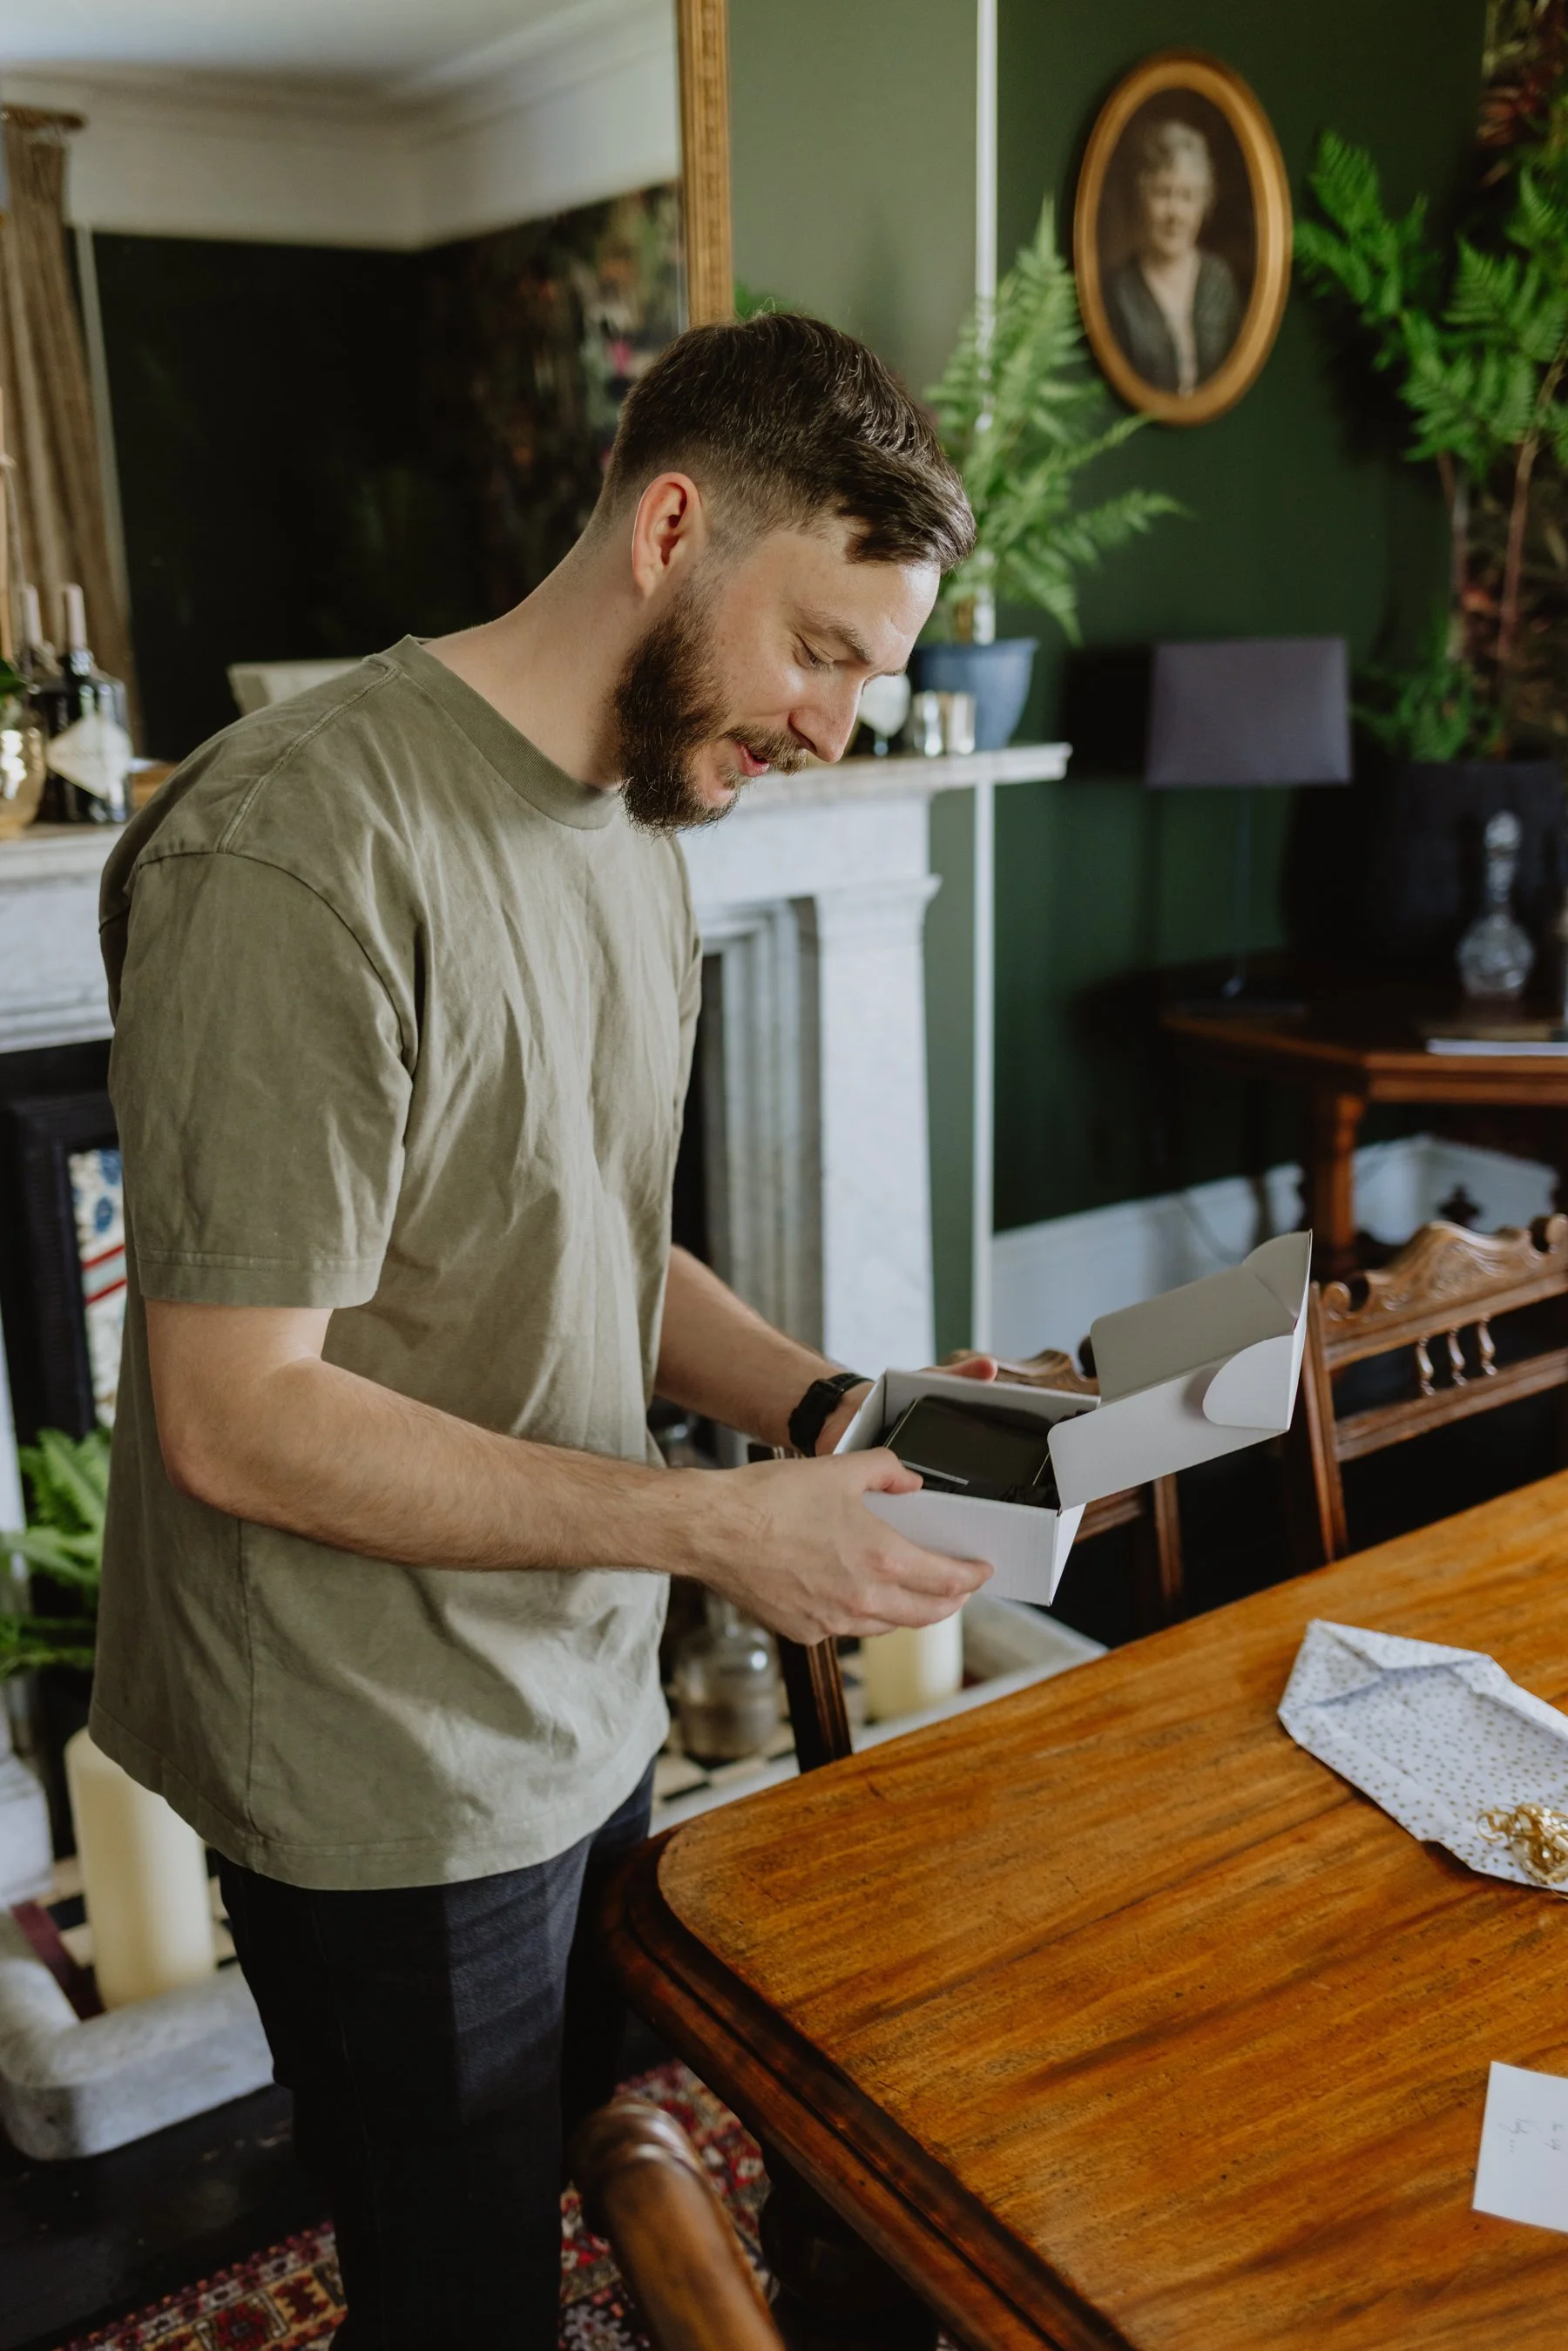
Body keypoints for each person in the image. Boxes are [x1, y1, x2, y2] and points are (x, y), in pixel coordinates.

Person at [92, 311, 996, 2348]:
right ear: (674, 525)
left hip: (579, 1697)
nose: (845, 724)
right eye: (825, 651)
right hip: (379, 1759)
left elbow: (581, 1236)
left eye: (883, 670)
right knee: (462, 2292)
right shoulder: (304, 843)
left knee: (581, 2163)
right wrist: (716, 1527)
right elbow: (238, 1419)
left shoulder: (641, 819)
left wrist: (824, 1399)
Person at [1104, 117, 1242, 397]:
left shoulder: (1219, 280)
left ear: (1204, 204)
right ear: (1142, 199)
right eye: (1163, 193)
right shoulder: (1118, 291)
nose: (1175, 214)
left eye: (1188, 196)